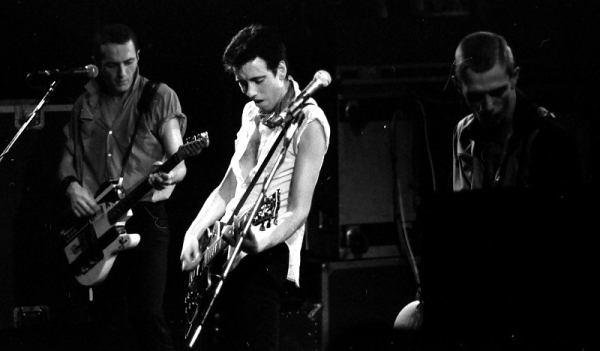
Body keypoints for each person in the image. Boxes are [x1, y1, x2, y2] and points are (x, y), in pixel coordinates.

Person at [180, 24, 330, 350]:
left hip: (267, 252)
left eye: (258, 81)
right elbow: (231, 184)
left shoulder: (310, 124)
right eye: (242, 83)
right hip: (227, 251)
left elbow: (298, 210)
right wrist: (194, 231)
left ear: (281, 71)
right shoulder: (252, 112)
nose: (249, 92)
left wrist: (258, 242)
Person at [58, 23, 187, 351]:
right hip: (99, 220)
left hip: (146, 213)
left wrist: (171, 174)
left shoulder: (159, 96)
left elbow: (180, 161)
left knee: (148, 314)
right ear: (98, 64)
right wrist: (72, 187)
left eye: (129, 62)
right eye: (112, 65)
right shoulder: (84, 103)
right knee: (106, 319)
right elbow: (68, 158)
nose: (122, 72)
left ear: (138, 56)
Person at [452, 31, 580, 192]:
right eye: (476, 96)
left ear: (514, 77)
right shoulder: (463, 131)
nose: (489, 106)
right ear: (457, 86)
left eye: (497, 92)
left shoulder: (551, 138)